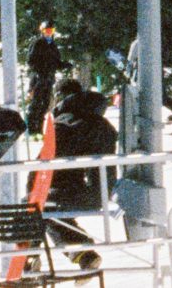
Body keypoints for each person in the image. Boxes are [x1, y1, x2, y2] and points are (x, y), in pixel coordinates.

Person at [44, 81, 116, 232]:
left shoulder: (66, 123)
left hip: (85, 192)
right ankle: (79, 251)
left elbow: (49, 162)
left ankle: (78, 250)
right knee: (49, 206)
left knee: (39, 205)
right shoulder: (101, 123)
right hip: (102, 189)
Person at [25, 23, 64, 135]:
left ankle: (40, 128)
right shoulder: (38, 43)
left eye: (51, 31)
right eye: (47, 31)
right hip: (38, 78)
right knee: (36, 103)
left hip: (49, 79)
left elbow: (56, 62)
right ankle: (31, 129)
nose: (49, 33)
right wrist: (39, 71)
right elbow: (30, 60)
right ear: (42, 31)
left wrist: (63, 65)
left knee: (45, 104)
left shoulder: (52, 45)